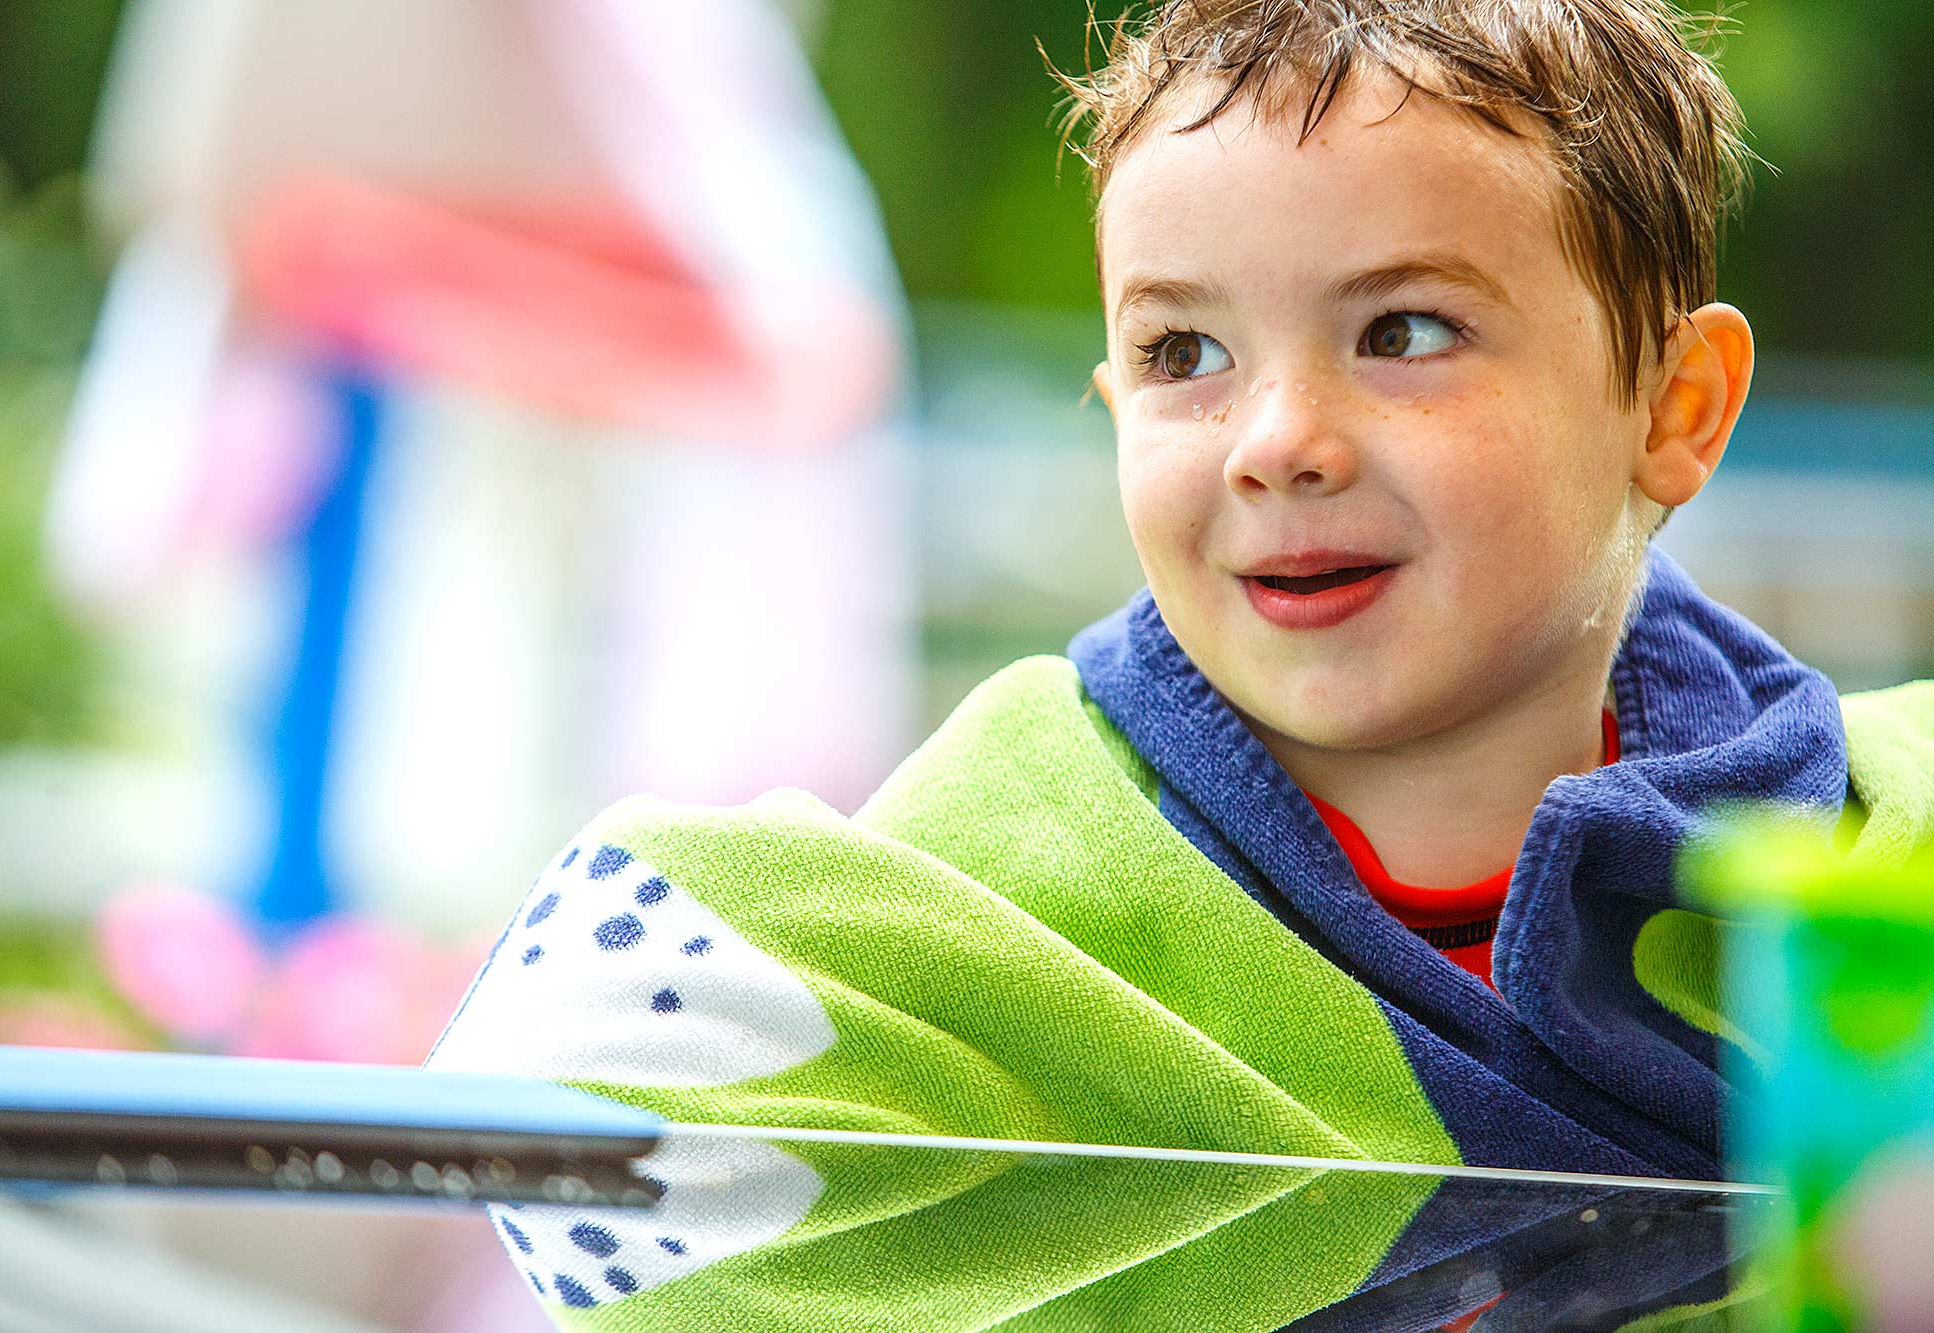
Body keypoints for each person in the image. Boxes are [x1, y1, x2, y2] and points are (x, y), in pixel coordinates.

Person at [426, 1, 1934, 1326]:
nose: (1279, 441)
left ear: (1674, 409)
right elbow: (570, 1063)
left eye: (1404, 329)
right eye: (1182, 356)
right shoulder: (1038, 834)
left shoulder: (1859, 841)